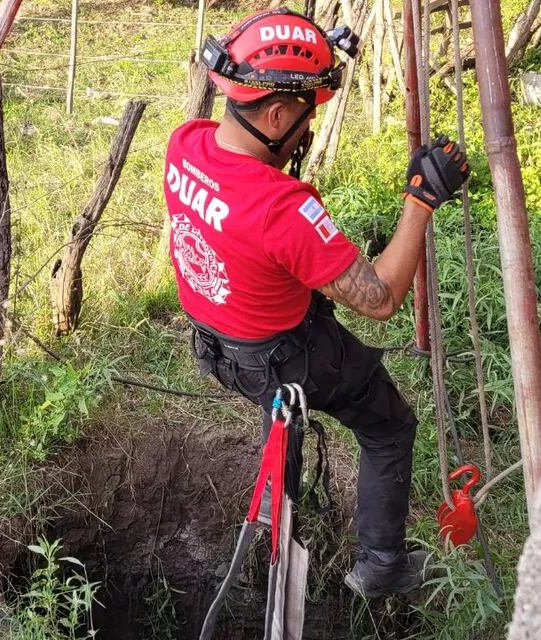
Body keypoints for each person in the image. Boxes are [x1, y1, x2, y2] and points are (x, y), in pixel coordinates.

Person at [163, 8, 470, 598]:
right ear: (276, 114)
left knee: (284, 362)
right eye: (306, 116)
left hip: (216, 343)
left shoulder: (187, 145)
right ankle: (382, 566)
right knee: (389, 425)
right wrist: (421, 200)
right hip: (284, 357)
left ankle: (283, 467)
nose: (306, 131)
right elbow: (379, 299)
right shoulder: (281, 207)